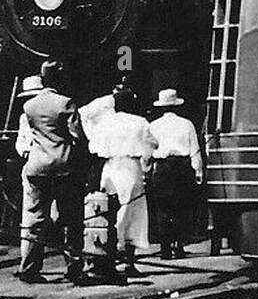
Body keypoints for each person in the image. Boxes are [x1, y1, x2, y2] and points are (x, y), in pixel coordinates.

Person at [15, 61, 87, 285]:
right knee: (70, 219)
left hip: (37, 167)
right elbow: (77, 136)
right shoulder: (65, 103)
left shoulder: (29, 107)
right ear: (59, 79)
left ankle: (29, 268)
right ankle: (74, 268)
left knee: (36, 219)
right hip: (64, 168)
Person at [90, 86, 157, 276]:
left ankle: (108, 255)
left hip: (110, 168)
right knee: (133, 214)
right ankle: (129, 261)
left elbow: (94, 146)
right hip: (131, 168)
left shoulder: (105, 123)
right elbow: (153, 143)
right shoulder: (139, 122)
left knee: (108, 212)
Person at [149, 89, 203, 259]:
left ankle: (165, 248)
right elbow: (195, 150)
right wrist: (198, 170)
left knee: (163, 208)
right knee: (181, 207)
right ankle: (179, 246)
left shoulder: (154, 126)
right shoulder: (187, 124)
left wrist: (146, 170)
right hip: (182, 167)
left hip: (162, 167)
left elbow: (148, 151)